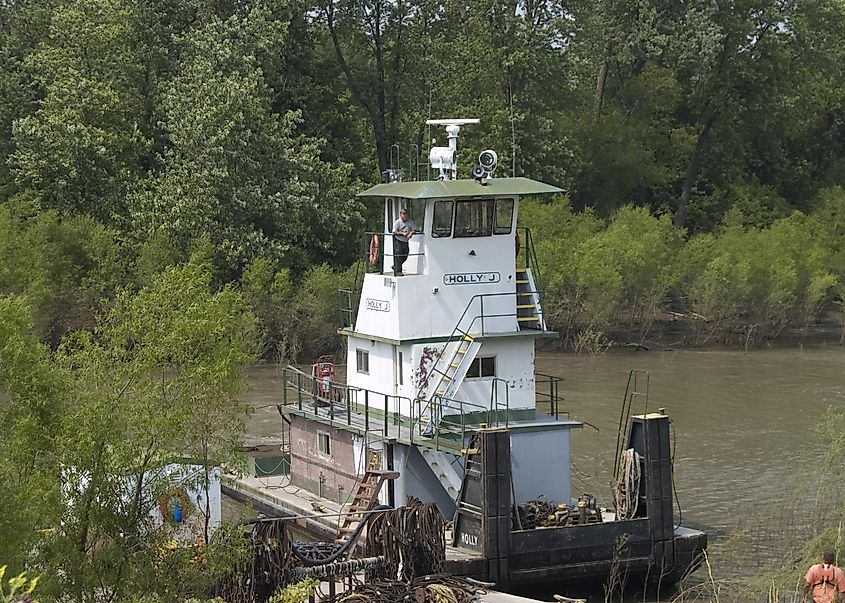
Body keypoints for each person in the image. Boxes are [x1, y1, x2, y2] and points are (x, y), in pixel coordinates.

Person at [391, 208, 416, 276]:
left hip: (405, 241)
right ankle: (399, 271)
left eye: (406, 214)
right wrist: (402, 233)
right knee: (399, 256)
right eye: (404, 214)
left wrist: (411, 233)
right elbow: (394, 232)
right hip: (398, 241)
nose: (405, 216)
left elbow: (414, 230)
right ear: (400, 215)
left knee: (405, 255)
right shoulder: (397, 222)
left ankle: (395, 266)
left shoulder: (410, 221)